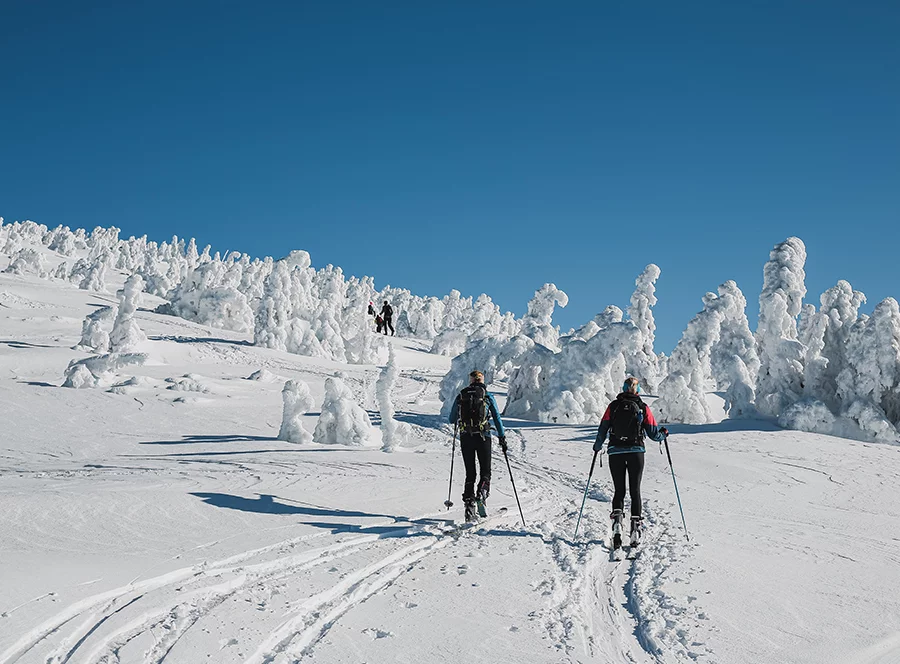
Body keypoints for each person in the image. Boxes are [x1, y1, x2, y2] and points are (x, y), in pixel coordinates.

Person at [593, 376, 668, 550]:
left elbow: (603, 428)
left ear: (623, 388)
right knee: (635, 490)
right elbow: (653, 433)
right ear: (637, 390)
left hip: (615, 452)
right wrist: (663, 434)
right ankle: (635, 529)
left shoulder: (613, 406)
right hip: (636, 452)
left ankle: (617, 526)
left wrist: (597, 447)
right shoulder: (643, 407)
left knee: (619, 490)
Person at [448, 370, 507, 522]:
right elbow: (497, 418)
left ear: (470, 380)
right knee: (485, 470)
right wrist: (502, 437)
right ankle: (481, 494)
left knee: (470, 473)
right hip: (483, 437)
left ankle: (469, 504)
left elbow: (451, 418)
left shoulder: (462, 395)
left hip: (466, 436)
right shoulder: (487, 396)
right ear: (482, 380)